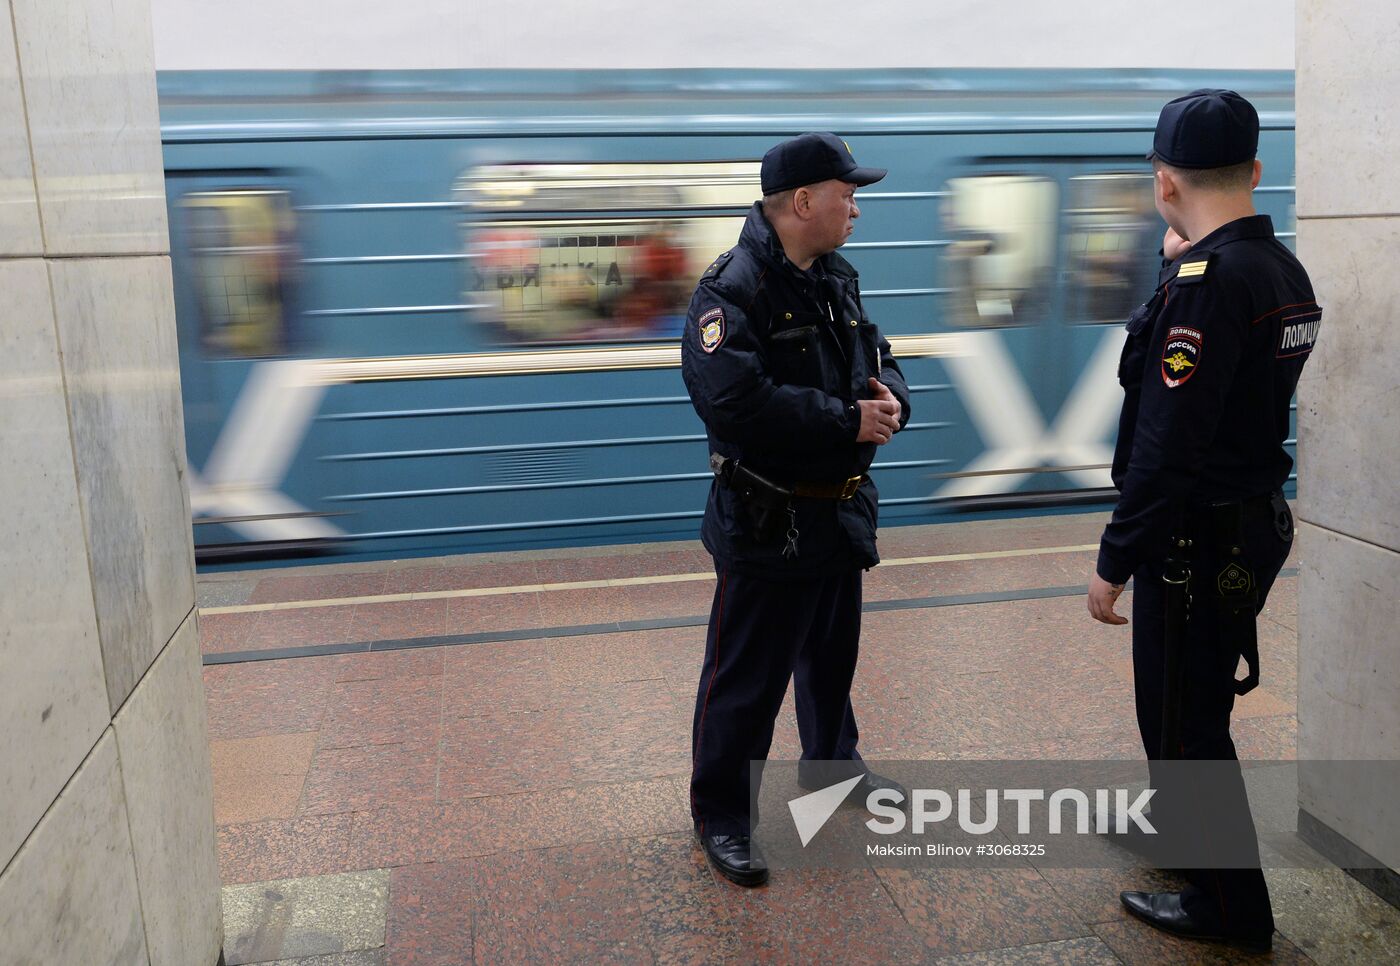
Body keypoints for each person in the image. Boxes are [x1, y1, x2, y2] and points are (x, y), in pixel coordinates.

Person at [1087, 90, 1321, 952]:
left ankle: (1231, 911)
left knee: (1188, 722)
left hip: (1195, 533)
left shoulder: (1207, 283)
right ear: (1255, 172)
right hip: (1249, 520)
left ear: (1164, 181)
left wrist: (1116, 556)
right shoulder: (1279, 270)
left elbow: (1165, 438)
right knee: (1180, 701)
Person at [680, 133, 912, 886]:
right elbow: (734, 402)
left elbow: (881, 357)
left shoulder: (835, 277)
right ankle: (721, 816)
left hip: (837, 514)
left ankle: (832, 768)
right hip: (768, 520)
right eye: (848, 193)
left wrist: (892, 400)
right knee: (745, 681)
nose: (856, 206)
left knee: (829, 659)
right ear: (803, 202)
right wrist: (846, 420)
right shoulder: (732, 289)